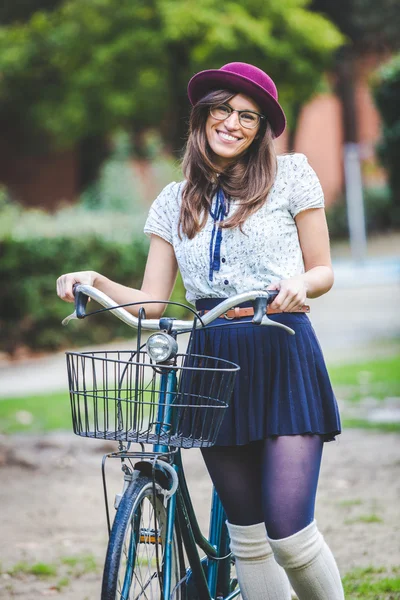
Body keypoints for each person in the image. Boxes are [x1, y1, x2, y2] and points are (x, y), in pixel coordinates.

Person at [57, 62, 344, 600]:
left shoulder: (292, 176)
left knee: (290, 535)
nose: (233, 122)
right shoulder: (174, 199)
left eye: (248, 116)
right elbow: (150, 303)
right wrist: (94, 280)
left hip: (281, 346)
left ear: (261, 128)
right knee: (249, 538)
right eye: (223, 109)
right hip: (212, 365)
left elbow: (323, 268)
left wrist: (303, 285)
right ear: (203, 114)